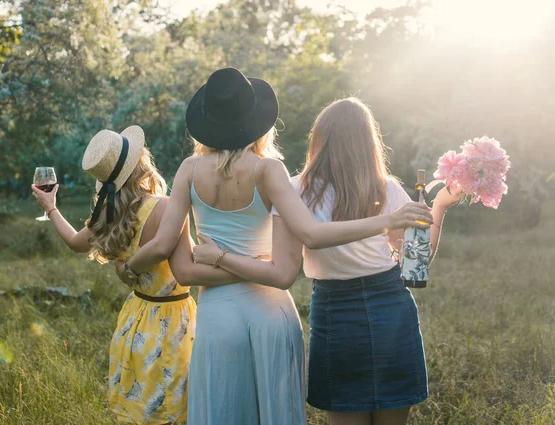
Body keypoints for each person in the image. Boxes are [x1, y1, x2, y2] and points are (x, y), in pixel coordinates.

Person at [115, 69, 433, 425]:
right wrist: (254, 264)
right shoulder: (269, 170)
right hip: (269, 310)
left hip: (217, 315)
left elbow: (183, 268)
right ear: (256, 120)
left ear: (208, 121)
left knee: (221, 411)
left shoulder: (189, 170)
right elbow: (285, 270)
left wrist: (131, 268)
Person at [192, 97, 464, 425]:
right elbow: (415, 265)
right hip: (392, 310)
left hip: (335, 314)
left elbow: (283, 265)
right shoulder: (386, 189)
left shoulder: (296, 190)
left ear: (318, 141)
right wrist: (439, 208)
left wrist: (221, 256)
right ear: (368, 143)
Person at [31, 126, 239, 425]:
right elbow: (188, 270)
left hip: (135, 318)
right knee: (174, 406)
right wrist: (240, 267)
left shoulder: (109, 213)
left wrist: (51, 209)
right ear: (142, 162)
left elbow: (75, 243)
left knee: (141, 405)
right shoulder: (166, 207)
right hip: (173, 321)